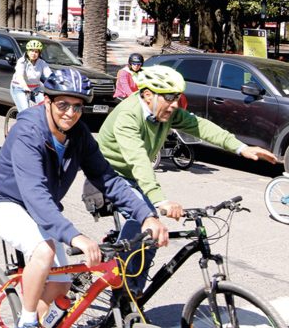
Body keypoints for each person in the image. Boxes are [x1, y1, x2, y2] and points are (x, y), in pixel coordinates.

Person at [0, 69, 169, 328]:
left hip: (39, 208)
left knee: (61, 283)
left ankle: (40, 321)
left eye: (77, 106)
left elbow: (107, 178)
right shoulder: (28, 131)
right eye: (62, 105)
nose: (70, 113)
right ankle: (25, 321)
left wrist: (145, 215)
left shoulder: (79, 135)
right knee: (44, 251)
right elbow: (35, 193)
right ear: (47, 101)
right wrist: (74, 235)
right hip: (2, 202)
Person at [96, 65, 277, 293]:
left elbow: (200, 126)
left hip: (134, 177)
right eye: (169, 98)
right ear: (148, 94)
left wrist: (240, 148)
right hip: (111, 176)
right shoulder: (128, 116)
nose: (174, 105)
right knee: (149, 226)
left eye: (177, 98)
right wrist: (161, 201)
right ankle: (124, 296)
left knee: (150, 238)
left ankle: (132, 289)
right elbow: (138, 160)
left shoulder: (164, 112)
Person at [10, 39, 52, 112]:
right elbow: (20, 76)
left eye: (36, 52)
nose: (34, 53)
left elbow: (50, 75)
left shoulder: (41, 62)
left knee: (46, 106)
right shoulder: (22, 61)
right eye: (32, 51)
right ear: (28, 51)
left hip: (35, 89)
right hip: (20, 88)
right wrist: (25, 87)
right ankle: (23, 122)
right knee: (25, 110)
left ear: (39, 53)